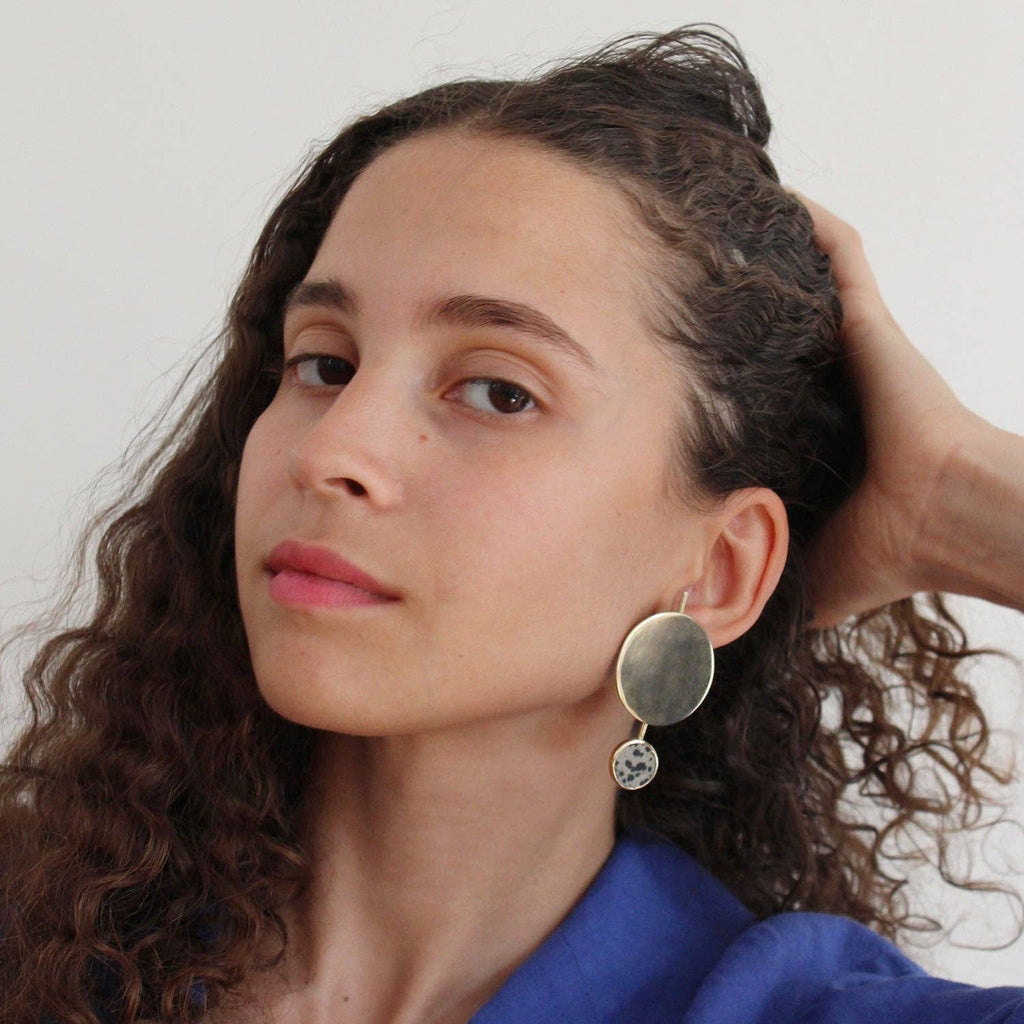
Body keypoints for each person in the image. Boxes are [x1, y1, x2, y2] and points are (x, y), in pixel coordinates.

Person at [1, 25, 1022, 1024]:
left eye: (495, 391)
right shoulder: (31, 927)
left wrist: (957, 496)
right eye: (324, 361)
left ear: (715, 570)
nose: (327, 453)